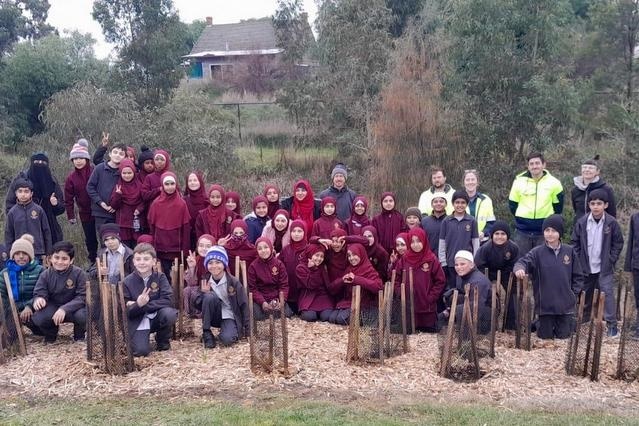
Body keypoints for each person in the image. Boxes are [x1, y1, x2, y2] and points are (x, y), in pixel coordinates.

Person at [514, 215, 584, 339]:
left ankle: (567, 322)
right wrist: (519, 268)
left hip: (565, 305)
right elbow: (523, 262)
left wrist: (573, 293)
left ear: (560, 233)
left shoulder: (570, 251)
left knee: (564, 336)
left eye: (554, 231)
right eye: (547, 230)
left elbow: (578, 276)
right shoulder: (537, 252)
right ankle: (539, 323)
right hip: (545, 305)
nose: (550, 234)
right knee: (545, 336)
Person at [571, 189, 623, 336]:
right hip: (586, 267)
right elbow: (574, 242)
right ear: (589, 205)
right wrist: (579, 261)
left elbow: (618, 243)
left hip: (604, 267)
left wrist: (611, 259)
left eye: (599, 203)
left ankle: (612, 326)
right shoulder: (582, 222)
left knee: (607, 295)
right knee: (584, 295)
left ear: (605, 205)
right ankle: (582, 322)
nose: (596, 206)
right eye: (593, 203)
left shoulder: (611, 223)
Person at [123, 243, 178, 356]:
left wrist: (143, 305)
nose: (142, 262)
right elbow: (126, 310)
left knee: (169, 314)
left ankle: (162, 340)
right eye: (138, 259)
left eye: (146, 259)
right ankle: (140, 339)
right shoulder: (127, 282)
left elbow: (168, 300)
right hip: (138, 320)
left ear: (154, 261)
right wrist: (138, 304)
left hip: (156, 316)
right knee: (141, 352)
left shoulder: (160, 277)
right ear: (134, 262)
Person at [508, 152, 564, 254]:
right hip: (522, 231)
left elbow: (558, 207)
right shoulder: (518, 181)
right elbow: (512, 204)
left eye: (537, 163)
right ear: (528, 166)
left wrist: (549, 223)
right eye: (531, 164)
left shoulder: (554, 183)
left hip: (544, 232)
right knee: (521, 264)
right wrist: (522, 218)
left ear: (544, 165)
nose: (534, 166)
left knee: (543, 264)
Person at [31, 241, 87, 343]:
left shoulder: (79, 273)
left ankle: (79, 336)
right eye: (56, 257)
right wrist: (39, 299)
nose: (60, 262)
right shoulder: (45, 274)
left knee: (83, 316)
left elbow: (83, 296)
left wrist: (64, 309)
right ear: (51, 258)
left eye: (64, 258)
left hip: (74, 308)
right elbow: (39, 291)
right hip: (53, 307)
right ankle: (51, 335)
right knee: (39, 317)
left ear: (71, 260)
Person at [5, 152, 65, 244]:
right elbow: (9, 204)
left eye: (43, 162)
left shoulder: (52, 181)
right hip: (24, 226)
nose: (39, 164)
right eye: (36, 161)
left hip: (49, 226)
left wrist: (55, 204)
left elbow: (61, 208)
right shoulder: (21, 179)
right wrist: (19, 218)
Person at [197, 246, 249, 348]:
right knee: (209, 296)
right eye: (210, 263)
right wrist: (203, 294)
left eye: (218, 262)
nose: (214, 266)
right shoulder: (205, 280)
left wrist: (248, 330)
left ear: (224, 264)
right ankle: (206, 332)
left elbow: (244, 305)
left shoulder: (233, 282)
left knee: (227, 340)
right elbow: (198, 305)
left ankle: (226, 331)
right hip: (213, 315)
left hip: (228, 314)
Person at [395, 228, 446, 332]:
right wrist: (401, 293)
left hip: (426, 308)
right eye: (412, 242)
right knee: (409, 335)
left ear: (424, 241)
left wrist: (430, 297)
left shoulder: (431, 259)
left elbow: (440, 281)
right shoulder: (404, 259)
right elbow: (396, 278)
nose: (415, 244)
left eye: (418, 241)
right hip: (409, 307)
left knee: (428, 336)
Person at [474, 221, 519, 329]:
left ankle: (510, 324)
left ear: (507, 236)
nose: (499, 237)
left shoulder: (513, 248)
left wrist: (508, 277)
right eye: (497, 234)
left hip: (506, 272)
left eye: (503, 234)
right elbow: (478, 265)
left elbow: (515, 263)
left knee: (513, 291)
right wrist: (487, 281)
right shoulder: (485, 248)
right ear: (492, 235)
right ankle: (486, 322)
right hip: (487, 272)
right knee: (485, 292)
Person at [327, 243, 383, 325]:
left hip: (363, 304)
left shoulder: (369, 269)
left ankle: (366, 319)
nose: (351, 258)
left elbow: (378, 287)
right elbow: (331, 289)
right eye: (349, 255)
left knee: (341, 319)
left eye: (354, 255)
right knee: (331, 318)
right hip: (349, 302)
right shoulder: (349, 269)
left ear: (361, 254)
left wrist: (356, 279)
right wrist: (342, 281)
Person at [147, 172, 191, 276]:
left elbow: (186, 229)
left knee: (176, 279)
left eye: (172, 184)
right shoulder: (156, 203)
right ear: (162, 185)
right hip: (160, 250)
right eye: (167, 184)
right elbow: (152, 227)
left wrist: (184, 252)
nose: (170, 187)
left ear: (176, 185)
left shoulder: (181, 204)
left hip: (176, 251)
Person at [0, 238, 44, 335]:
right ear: (13, 256)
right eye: (17, 254)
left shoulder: (39, 270)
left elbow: (42, 292)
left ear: (30, 255)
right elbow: (2, 296)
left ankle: (38, 329)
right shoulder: (5, 273)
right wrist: (8, 312)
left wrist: (29, 306)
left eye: (24, 253)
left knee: (41, 331)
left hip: (33, 309)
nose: (21, 257)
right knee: (11, 337)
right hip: (13, 309)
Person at [443, 250, 493, 335]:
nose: (459, 267)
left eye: (462, 264)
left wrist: (452, 312)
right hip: (475, 305)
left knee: (466, 306)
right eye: (456, 265)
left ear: (472, 265)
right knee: (453, 296)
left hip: (485, 315)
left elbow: (476, 306)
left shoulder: (477, 281)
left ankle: (470, 333)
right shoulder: (463, 275)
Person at [64, 139, 98, 263]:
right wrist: (71, 215)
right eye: (75, 159)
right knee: (90, 239)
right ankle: (93, 262)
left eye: (81, 158)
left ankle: (107, 263)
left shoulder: (95, 171)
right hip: (85, 213)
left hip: (100, 210)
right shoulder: (71, 178)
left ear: (87, 159)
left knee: (105, 236)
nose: (78, 161)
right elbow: (68, 198)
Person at [438, 190, 480, 290]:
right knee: (453, 289)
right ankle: (452, 306)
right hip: (451, 263)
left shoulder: (472, 221)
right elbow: (442, 243)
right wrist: (443, 262)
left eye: (463, 203)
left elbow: (475, 243)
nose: (460, 205)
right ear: (453, 204)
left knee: (466, 289)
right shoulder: (446, 221)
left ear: (467, 204)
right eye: (457, 202)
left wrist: (474, 260)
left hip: (466, 264)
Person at [5, 179, 52, 260]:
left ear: (31, 193)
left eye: (26, 191)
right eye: (20, 191)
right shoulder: (12, 213)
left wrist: (48, 253)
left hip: (37, 252)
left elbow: (46, 232)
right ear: (16, 193)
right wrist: (10, 253)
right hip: (19, 253)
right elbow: (9, 235)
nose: (23, 194)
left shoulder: (38, 210)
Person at [247, 237, 292, 320]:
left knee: (287, 313)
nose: (263, 251)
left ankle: (274, 311)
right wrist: (263, 302)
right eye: (260, 249)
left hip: (276, 297)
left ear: (271, 248)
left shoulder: (279, 264)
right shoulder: (253, 266)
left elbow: (284, 285)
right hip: (261, 298)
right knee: (257, 316)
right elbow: (253, 289)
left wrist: (281, 300)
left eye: (266, 247)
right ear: (257, 251)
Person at [87, 143, 126, 231]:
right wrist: (100, 202)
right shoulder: (99, 168)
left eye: (121, 154)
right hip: (100, 212)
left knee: (117, 240)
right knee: (104, 240)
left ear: (125, 157)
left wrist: (115, 206)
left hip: (118, 213)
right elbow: (90, 187)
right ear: (110, 154)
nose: (117, 155)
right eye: (115, 152)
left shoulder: (125, 172)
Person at [109, 159, 145, 248]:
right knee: (125, 248)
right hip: (123, 224)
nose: (127, 175)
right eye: (124, 173)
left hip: (136, 222)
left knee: (137, 247)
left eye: (129, 173)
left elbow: (145, 201)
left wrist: (139, 209)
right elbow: (113, 205)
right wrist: (118, 195)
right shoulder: (118, 186)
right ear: (120, 173)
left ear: (134, 172)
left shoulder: (139, 185)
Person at [295, 242, 335, 322]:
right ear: (310, 254)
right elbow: (311, 285)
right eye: (316, 255)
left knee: (326, 316)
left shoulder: (323, 266)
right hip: (309, 297)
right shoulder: (300, 268)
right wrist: (313, 269)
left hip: (323, 297)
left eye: (321, 256)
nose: (319, 259)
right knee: (310, 317)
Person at [571, 156, 616, 221]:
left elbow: (612, 213)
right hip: (580, 227)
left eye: (591, 168)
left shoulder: (606, 189)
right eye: (584, 167)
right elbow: (576, 211)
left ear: (597, 172)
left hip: (600, 227)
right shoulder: (575, 190)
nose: (587, 170)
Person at [279, 220, 308, 314]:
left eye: (299, 231)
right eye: (293, 231)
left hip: (303, 292)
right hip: (289, 291)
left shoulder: (308, 249)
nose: (296, 234)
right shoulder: (286, 249)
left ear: (305, 232)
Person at [183, 234, 215, 318]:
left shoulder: (216, 260)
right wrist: (192, 267)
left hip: (214, 291)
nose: (204, 249)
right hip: (200, 289)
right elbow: (191, 283)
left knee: (199, 293)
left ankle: (204, 315)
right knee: (187, 290)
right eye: (201, 245)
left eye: (208, 246)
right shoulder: (196, 259)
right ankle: (191, 315)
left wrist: (208, 289)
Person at [462, 170, 496, 242]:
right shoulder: (457, 200)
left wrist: (484, 232)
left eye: (473, 179)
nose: (470, 182)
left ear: (477, 182)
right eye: (467, 180)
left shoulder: (486, 200)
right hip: (463, 241)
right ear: (463, 183)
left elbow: (491, 222)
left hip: (482, 241)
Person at [183, 171, 209, 248]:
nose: (192, 183)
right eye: (190, 181)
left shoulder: (207, 201)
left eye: (195, 180)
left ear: (200, 182)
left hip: (204, 238)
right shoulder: (184, 200)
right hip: (188, 238)